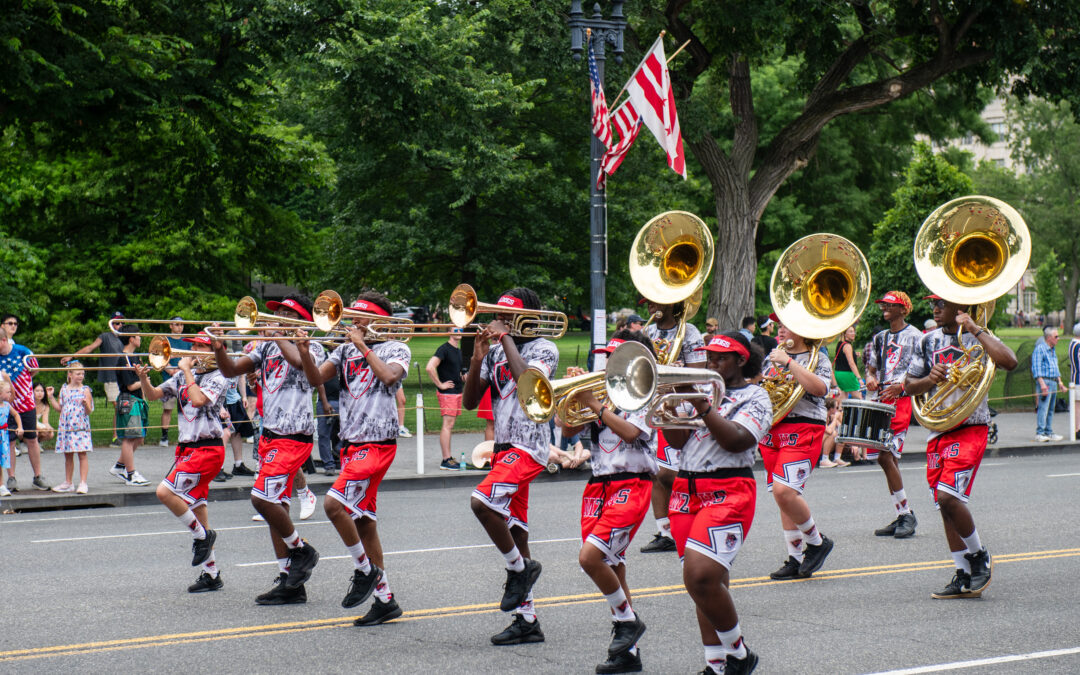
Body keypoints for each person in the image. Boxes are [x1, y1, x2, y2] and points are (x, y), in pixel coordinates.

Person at [662, 332, 771, 675]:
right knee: (704, 584)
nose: (712, 364)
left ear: (741, 361)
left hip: (728, 488)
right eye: (710, 358)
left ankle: (739, 655)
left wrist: (702, 406)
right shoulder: (702, 392)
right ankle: (716, 665)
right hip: (685, 489)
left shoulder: (756, 397)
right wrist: (672, 402)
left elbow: (737, 440)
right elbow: (677, 441)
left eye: (721, 358)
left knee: (700, 575)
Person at [299, 292, 411, 626]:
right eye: (352, 317)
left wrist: (363, 346)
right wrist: (305, 352)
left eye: (361, 318)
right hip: (351, 444)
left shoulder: (396, 347)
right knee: (364, 522)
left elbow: (390, 378)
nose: (353, 323)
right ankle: (385, 599)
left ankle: (365, 570)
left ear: (379, 321)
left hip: (377, 443)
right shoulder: (344, 349)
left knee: (334, 504)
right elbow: (315, 378)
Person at [212, 294, 325, 605]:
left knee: (261, 498)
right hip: (271, 435)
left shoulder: (311, 346)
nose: (275, 318)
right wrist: (219, 348)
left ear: (300, 320)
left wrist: (277, 334)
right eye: (276, 314)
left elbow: (302, 365)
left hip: (294, 436)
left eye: (285, 314)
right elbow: (231, 371)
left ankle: (301, 550)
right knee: (278, 507)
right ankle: (290, 582)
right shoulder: (264, 347)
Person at [462, 287, 559, 646]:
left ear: (526, 317)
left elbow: (528, 384)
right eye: (498, 315)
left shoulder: (545, 348)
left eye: (508, 316)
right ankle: (527, 620)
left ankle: (520, 570)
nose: (499, 320)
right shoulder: (495, 352)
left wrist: (505, 340)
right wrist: (477, 359)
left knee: (481, 502)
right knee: (516, 532)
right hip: (503, 447)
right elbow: (471, 403)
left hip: (528, 445)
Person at [904, 295, 1017, 599]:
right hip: (939, 429)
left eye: (942, 304)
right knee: (944, 506)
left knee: (948, 496)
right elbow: (908, 385)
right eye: (933, 305)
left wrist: (975, 328)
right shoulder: (927, 340)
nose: (935, 310)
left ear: (960, 308)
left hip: (970, 427)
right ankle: (963, 573)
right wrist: (929, 379)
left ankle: (979, 555)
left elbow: (1009, 361)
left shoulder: (980, 336)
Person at [560, 332, 657, 674]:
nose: (607, 365)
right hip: (597, 486)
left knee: (590, 557)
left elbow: (632, 433)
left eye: (616, 358)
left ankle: (628, 622)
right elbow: (566, 427)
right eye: (607, 358)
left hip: (631, 482)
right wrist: (574, 395)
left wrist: (593, 403)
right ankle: (628, 653)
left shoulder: (646, 392)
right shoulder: (603, 395)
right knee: (614, 567)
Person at [137, 335, 228, 593]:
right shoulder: (179, 376)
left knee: (164, 492)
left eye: (199, 346)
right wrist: (144, 378)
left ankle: (202, 536)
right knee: (197, 508)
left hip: (208, 448)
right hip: (187, 449)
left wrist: (187, 370)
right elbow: (153, 395)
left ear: (212, 350)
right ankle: (211, 574)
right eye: (194, 346)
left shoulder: (219, 375)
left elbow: (199, 399)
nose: (193, 350)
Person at [760, 314, 835, 580]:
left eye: (785, 322)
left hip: (803, 427)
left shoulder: (818, 357)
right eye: (777, 323)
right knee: (781, 497)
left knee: (785, 491)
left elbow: (820, 389)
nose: (780, 327)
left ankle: (816, 542)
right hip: (773, 430)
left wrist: (790, 363)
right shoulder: (771, 355)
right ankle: (794, 557)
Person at [639, 298, 706, 555]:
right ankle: (665, 531)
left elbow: (699, 371)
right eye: (647, 304)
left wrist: (678, 371)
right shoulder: (648, 331)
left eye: (654, 303)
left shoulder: (689, 331)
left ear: (669, 304)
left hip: (681, 406)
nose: (650, 308)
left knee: (675, 474)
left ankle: (690, 519)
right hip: (654, 404)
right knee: (657, 473)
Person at [864, 291, 921, 539]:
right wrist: (870, 379)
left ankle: (906, 514)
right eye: (883, 304)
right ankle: (902, 514)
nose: (884, 307)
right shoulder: (880, 337)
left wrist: (904, 386)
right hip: (882, 399)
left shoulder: (917, 336)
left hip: (902, 400)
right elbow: (872, 368)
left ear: (903, 309)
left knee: (885, 457)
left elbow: (924, 370)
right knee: (889, 460)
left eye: (890, 305)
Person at [66, 311, 127, 445]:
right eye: (117, 322)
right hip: (111, 376)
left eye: (122, 322)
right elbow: (90, 348)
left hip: (125, 376)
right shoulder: (105, 336)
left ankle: (125, 434)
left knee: (126, 406)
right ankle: (116, 437)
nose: (120, 325)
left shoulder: (126, 338)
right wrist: (72, 356)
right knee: (118, 406)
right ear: (111, 324)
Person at [0, 330, 51, 490]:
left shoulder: (23, 351)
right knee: (9, 440)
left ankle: (37, 475)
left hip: (26, 403)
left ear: (3, 340)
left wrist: (24, 384)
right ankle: (11, 477)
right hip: (6, 405)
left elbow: (35, 369)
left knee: (32, 439)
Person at [109, 326, 151, 486]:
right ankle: (131, 474)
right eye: (138, 336)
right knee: (130, 437)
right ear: (131, 339)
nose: (140, 338)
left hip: (138, 400)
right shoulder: (123, 359)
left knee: (139, 437)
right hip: (129, 400)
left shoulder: (136, 357)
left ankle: (120, 466)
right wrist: (144, 380)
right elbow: (130, 385)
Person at [49, 363, 94, 493]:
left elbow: (89, 411)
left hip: (80, 424)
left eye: (82, 374)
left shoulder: (85, 390)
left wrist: (86, 405)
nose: (81, 376)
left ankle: (83, 482)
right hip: (66, 425)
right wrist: (51, 397)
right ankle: (68, 482)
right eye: (78, 374)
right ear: (70, 374)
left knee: (82, 453)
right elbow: (59, 408)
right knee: (68, 454)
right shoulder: (64, 389)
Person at [426, 327, 465, 470]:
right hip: (448, 394)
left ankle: (449, 457)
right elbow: (430, 367)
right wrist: (440, 385)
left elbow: (456, 371)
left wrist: (462, 377)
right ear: (449, 332)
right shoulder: (444, 349)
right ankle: (445, 460)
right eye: (455, 330)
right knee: (447, 425)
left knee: (450, 425)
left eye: (461, 329)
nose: (459, 332)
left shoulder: (458, 351)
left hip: (457, 391)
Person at [217, 376, 257, 480]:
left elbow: (241, 377)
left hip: (234, 399)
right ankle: (218, 468)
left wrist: (243, 396)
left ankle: (238, 465)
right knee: (224, 434)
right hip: (221, 401)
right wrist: (220, 406)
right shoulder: (219, 360)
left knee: (237, 432)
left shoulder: (238, 359)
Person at [1031, 326, 1066, 442]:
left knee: (1051, 409)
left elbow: (1055, 368)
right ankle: (1040, 432)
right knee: (1043, 408)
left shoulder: (1052, 350)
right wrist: (1042, 385)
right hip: (1045, 381)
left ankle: (1049, 431)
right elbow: (1036, 369)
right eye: (1056, 336)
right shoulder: (1040, 349)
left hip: (1053, 381)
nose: (1058, 338)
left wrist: (1060, 382)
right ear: (1049, 338)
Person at [157, 317, 187, 447]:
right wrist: (171, 371)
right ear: (171, 326)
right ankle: (164, 436)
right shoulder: (166, 341)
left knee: (186, 409)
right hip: (169, 379)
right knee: (167, 409)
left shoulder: (186, 340)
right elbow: (161, 358)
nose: (179, 327)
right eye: (177, 325)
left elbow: (189, 356)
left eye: (181, 325)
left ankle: (185, 434)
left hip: (184, 379)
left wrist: (181, 369)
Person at [315, 370, 341, 476]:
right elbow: (318, 380)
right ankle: (329, 465)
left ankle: (338, 451)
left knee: (346, 432)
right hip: (324, 401)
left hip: (343, 400)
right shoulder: (322, 359)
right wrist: (325, 402)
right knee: (323, 434)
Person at [832, 325, 863, 400]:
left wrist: (854, 354)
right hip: (847, 375)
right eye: (851, 332)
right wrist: (859, 378)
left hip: (838, 373)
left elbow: (842, 356)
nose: (853, 333)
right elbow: (851, 364)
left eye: (854, 331)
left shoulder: (840, 343)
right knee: (859, 398)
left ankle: (840, 411)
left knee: (842, 399)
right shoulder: (847, 346)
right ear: (845, 334)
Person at [0, 381, 16, 497]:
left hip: (3, 437)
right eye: (8, 392)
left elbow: (16, 415)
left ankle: (1, 485)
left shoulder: (7, 405)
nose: (10, 394)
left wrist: (19, 427)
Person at [1070, 323, 1080, 439]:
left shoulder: (1072, 343)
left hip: (1075, 376)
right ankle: (1077, 428)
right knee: (1078, 405)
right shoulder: (1078, 345)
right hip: (1078, 379)